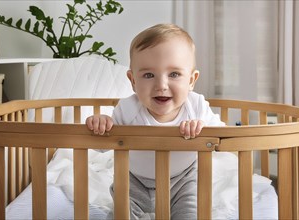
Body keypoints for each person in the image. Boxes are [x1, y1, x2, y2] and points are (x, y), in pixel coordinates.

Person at [86, 23, 225, 219]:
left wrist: (204, 129)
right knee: (121, 214)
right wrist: (101, 124)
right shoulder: (127, 109)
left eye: (174, 74)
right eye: (149, 75)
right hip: (134, 181)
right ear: (133, 80)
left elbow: (224, 138)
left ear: (192, 80)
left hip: (183, 180)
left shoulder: (197, 107)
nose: (161, 85)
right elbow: (100, 145)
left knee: (192, 214)